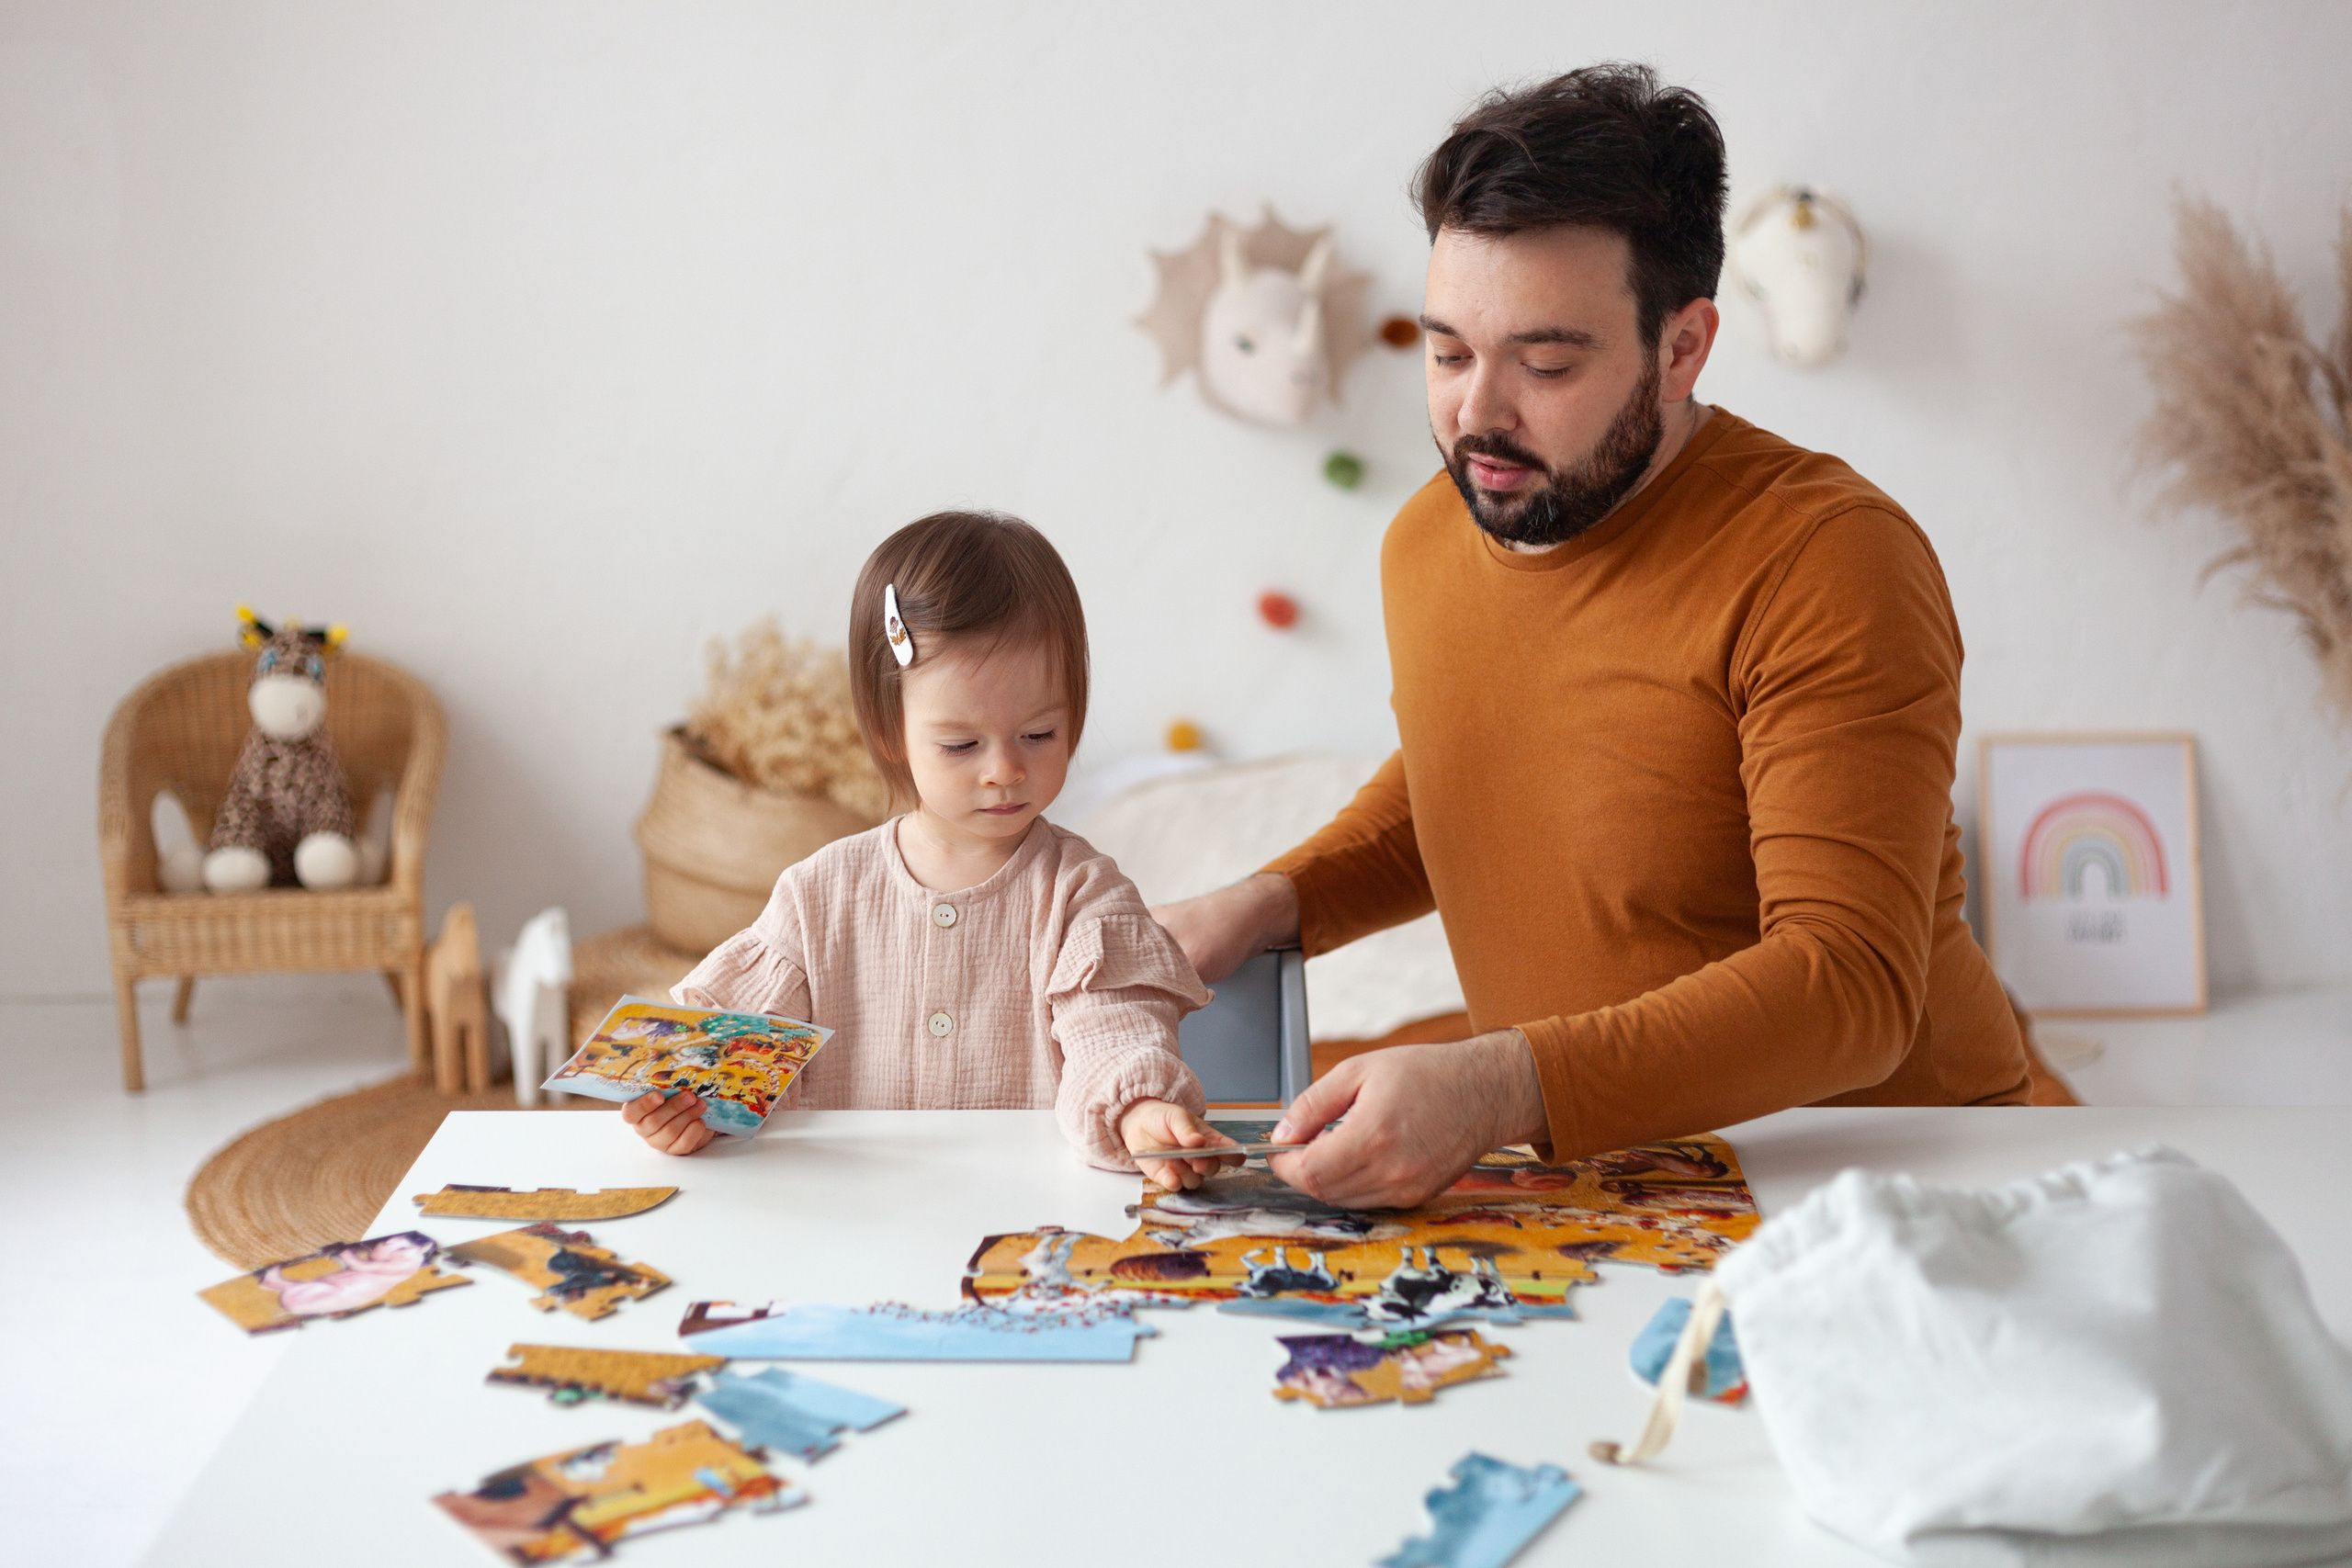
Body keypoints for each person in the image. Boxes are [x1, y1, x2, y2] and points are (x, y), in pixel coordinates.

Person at [1155, 63, 2031, 1210]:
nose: (1476, 414)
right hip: (1600, 1184)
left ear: (1683, 347)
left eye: (1546, 363)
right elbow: (1470, 783)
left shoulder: (1828, 559)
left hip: (1877, 1184)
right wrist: (1269, 908)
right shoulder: (1430, 539)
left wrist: (1499, 1085)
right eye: (1448, 352)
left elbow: (1848, 986)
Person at [625, 512, 1236, 1190]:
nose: (1004, 769)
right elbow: (725, 1037)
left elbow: (1113, 1032)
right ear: (891, 731)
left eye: (1038, 734)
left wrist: (1141, 1110)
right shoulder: (822, 892)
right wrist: (685, 1103)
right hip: (846, 1220)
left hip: (1023, 1222)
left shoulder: (1084, 894)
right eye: (960, 745)